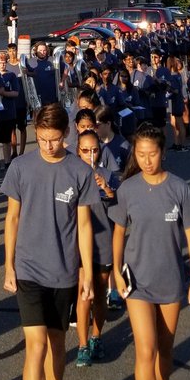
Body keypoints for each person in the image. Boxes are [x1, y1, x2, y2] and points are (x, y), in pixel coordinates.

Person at [2, 102, 100, 380]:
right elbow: (12, 218)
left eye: (54, 139)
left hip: (64, 272)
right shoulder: (20, 167)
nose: (47, 146)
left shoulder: (80, 171)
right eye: (42, 139)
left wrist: (85, 271)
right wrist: (8, 265)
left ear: (66, 134)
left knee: (57, 346)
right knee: (36, 346)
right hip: (29, 269)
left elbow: (84, 225)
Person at [110, 124, 190, 380]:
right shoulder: (127, 189)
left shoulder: (178, 188)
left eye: (152, 154)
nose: (146, 160)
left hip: (172, 279)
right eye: (140, 154)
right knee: (146, 350)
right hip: (136, 281)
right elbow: (118, 233)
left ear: (162, 152)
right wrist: (116, 271)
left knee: (165, 350)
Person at [74, 129, 116, 367]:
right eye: (85, 150)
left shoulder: (108, 175)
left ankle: (96, 336)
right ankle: (82, 344)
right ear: (77, 150)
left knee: (99, 294)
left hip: (102, 243)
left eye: (94, 150)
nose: (90, 155)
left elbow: (121, 210)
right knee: (83, 293)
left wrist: (107, 189)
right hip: (79, 244)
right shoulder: (72, 175)